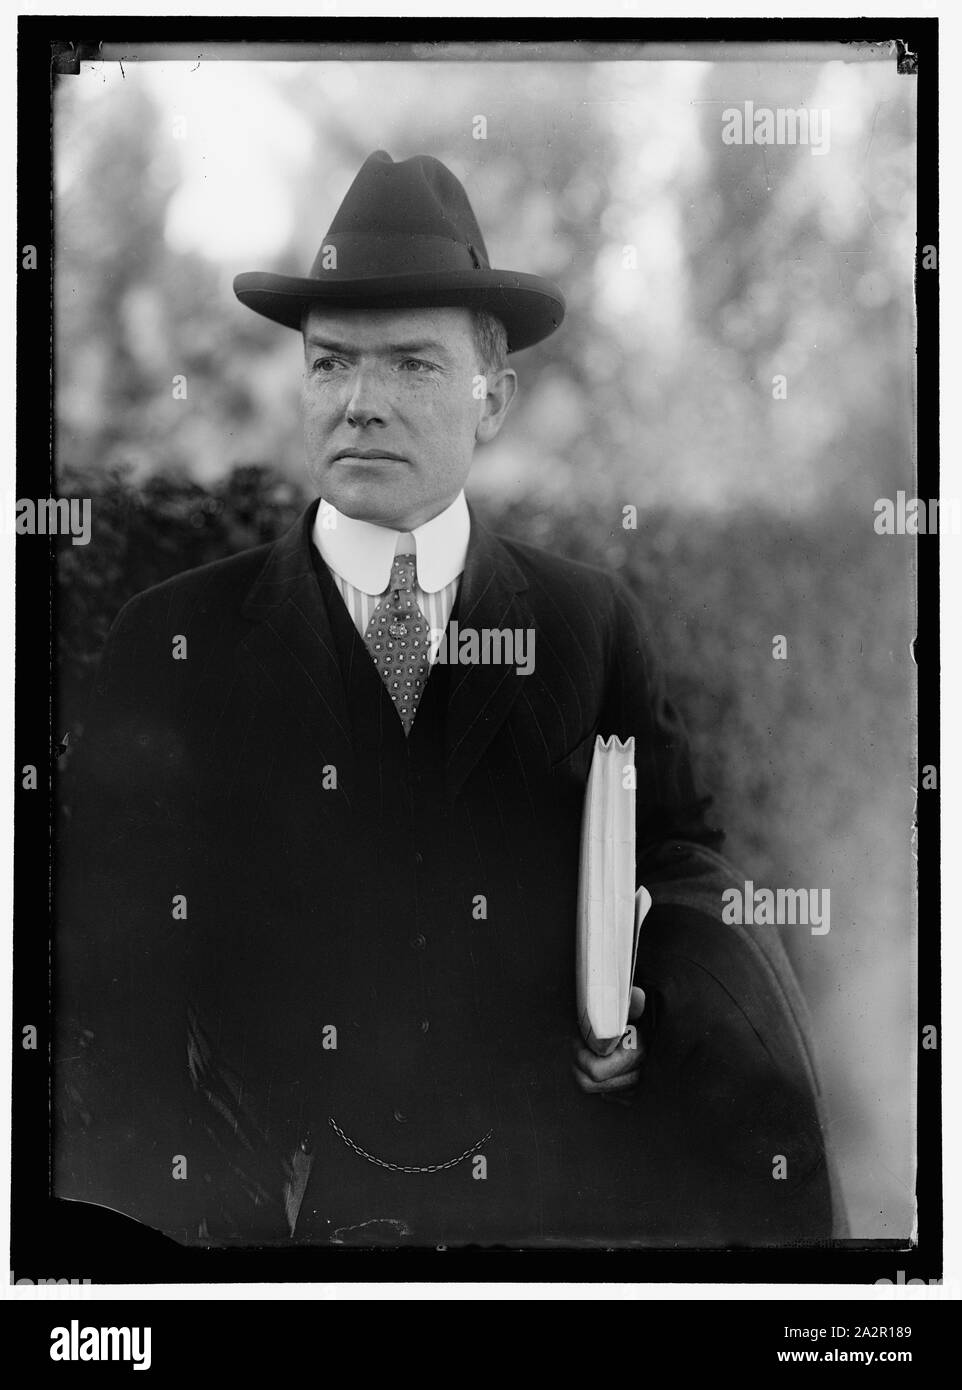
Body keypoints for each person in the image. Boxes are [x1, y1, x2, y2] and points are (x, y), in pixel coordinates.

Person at [55, 150, 842, 1248]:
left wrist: (640, 1008)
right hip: (259, 1233)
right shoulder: (174, 639)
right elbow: (104, 980)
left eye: (412, 366)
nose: (361, 403)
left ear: (492, 400)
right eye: (330, 363)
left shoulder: (586, 625)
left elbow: (677, 865)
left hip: (535, 1225)